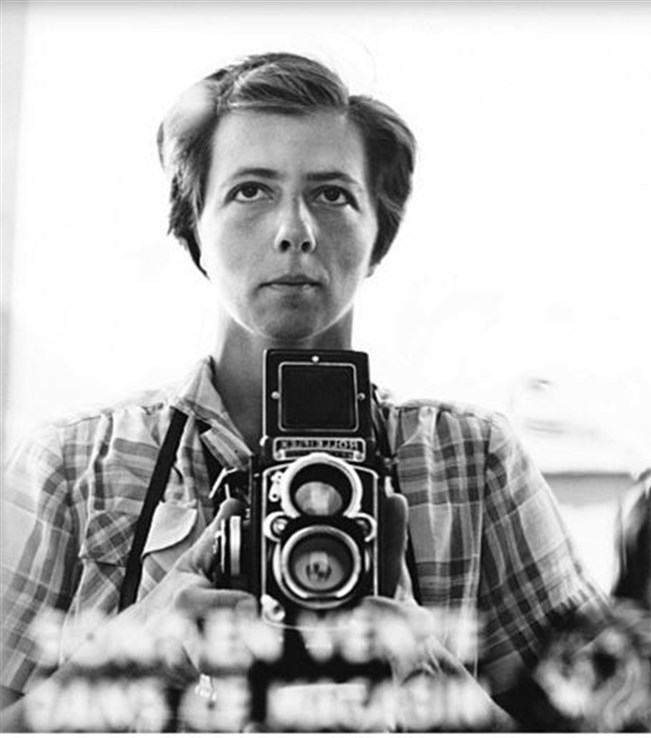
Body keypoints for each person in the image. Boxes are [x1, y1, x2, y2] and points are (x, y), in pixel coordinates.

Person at [0, 52, 607, 730]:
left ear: (380, 235)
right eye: (250, 191)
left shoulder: (472, 459)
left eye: (332, 195)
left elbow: (614, 721)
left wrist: (432, 685)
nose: (295, 231)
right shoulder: (73, 465)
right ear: (193, 226)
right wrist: (130, 659)